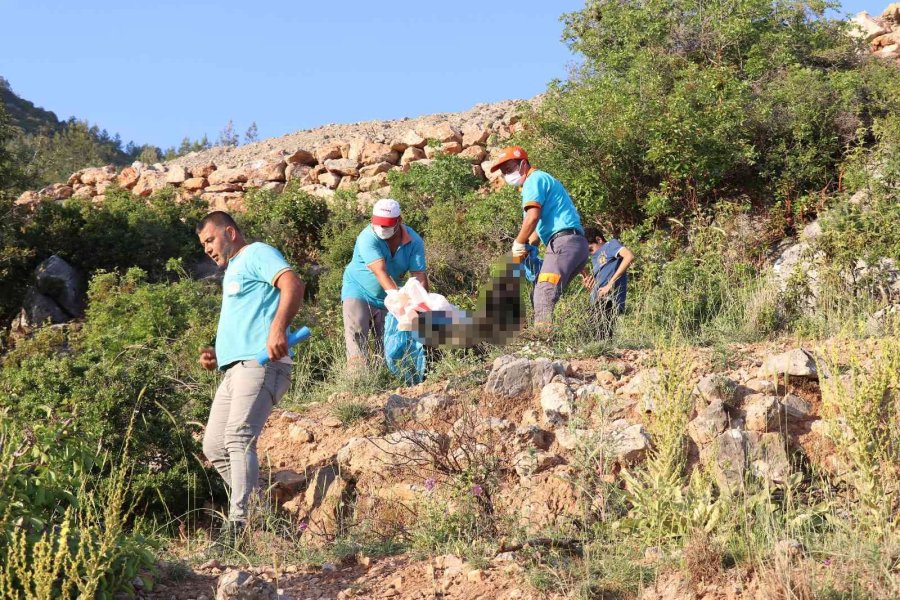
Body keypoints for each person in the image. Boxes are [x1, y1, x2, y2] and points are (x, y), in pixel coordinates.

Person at [195, 211, 305, 544]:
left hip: (261, 364)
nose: (208, 249)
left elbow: (293, 283)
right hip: (235, 368)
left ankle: (237, 526)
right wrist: (218, 354)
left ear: (230, 232)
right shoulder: (231, 272)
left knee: (239, 438)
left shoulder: (256, 253)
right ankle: (267, 517)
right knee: (214, 446)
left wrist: (277, 328)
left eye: (210, 240)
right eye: (203, 245)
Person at [490, 146, 589, 334]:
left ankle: (542, 341)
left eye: (510, 169)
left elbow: (532, 218)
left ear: (524, 164)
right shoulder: (543, 179)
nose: (507, 175)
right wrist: (527, 247)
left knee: (544, 291)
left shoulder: (533, 180)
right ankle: (550, 335)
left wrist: (518, 242)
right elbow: (536, 230)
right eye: (504, 173)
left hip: (563, 243)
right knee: (542, 291)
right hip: (574, 244)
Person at [341, 198, 427, 368]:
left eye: (386, 224)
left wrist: (423, 306)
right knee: (357, 337)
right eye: (378, 223)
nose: (381, 228)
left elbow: (419, 277)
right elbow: (380, 271)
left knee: (390, 343)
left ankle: (388, 379)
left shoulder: (414, 241)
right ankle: (357, 383)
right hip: (358, 290)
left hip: (388, 297)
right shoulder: (367, 237)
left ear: (399, 221)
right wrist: (399, 302)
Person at [581, 226, 634, 338]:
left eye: (591, 249)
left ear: (599, 240)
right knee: (591, 334)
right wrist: (589, 283)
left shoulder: (610, 245)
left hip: (609, 300)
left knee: (601, 336)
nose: (591, 253)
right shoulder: (595, 258)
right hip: (597, 301)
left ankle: (606, 354)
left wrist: (610, 284)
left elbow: (629, 256)